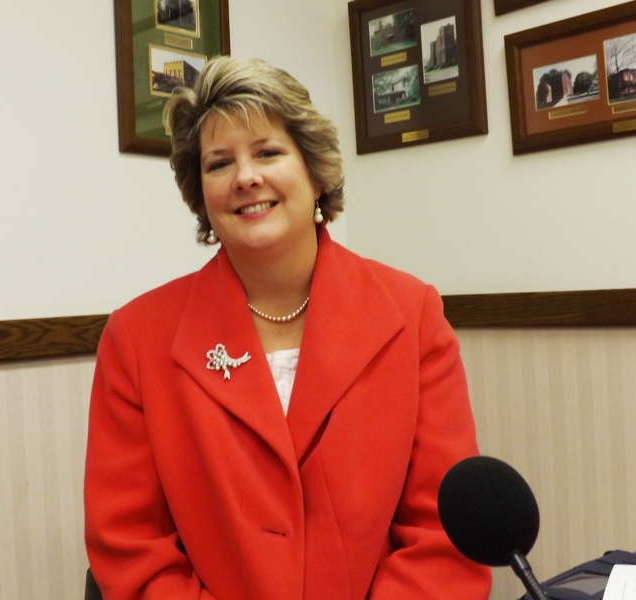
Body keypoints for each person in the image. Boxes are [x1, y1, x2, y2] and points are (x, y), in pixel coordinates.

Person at [84, 56, 491, 600]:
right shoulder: (136, 339)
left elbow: (443, 534)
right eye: (219, 163)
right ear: (200, 194)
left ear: (316, 171)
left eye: (268, 152)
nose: (245, 177)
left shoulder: (413, 316)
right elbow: (132, 548)